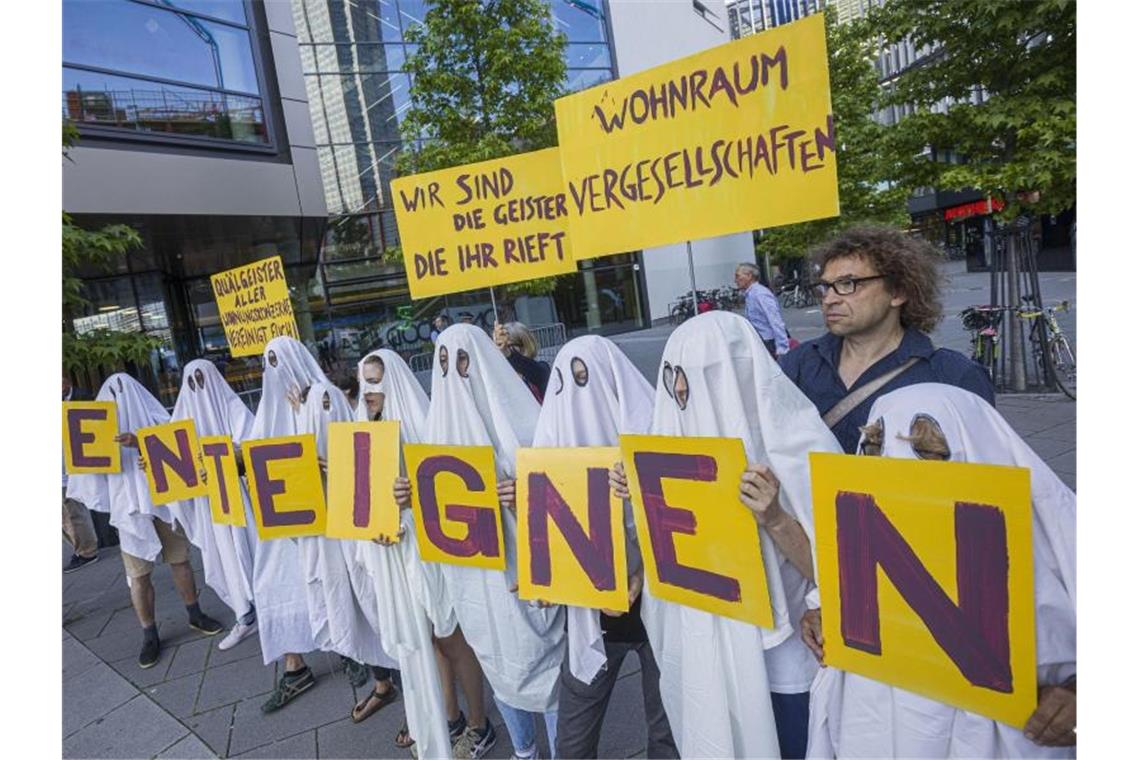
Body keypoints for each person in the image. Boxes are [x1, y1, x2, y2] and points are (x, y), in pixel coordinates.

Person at [609, 312, 842, 758]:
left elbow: (838, 572)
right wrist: (638, 497)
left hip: (789, 663)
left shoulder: (802, 446)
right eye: (673, 376)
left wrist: (774, 517)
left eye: (697, 377)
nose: (680, 391)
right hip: (712, 660)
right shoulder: (669, 440)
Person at [805, 384, 1076, 757]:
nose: (895, 466)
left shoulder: (1051, 544)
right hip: (871, 727)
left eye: (926, 452)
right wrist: (824, 614)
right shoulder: (860, 526)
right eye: (875, 446)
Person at [419, 324, 564, 759]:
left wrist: (526, 496)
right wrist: (409, 498)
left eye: (462, 359)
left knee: (549, 664)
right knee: (498, 662)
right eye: (444, 362)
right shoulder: (435, 436)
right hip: (475, 577)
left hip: (528, 571)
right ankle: (524, 749)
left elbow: (566, 491)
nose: (454, 371)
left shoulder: (528, 422)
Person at [536, 336, 678, 760]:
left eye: (587, 378)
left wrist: (642, 574)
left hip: (660, 610)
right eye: (564, 382)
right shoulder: (547, 455)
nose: (580, 396)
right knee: (574, 740)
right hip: (591, 619)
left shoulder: (662, 435)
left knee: (667, 730)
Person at [779, 226, 995, 455]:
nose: (829, 299)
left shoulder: (953, 377)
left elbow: (986, 469)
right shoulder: (797, 365)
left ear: (897, 292)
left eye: (848, 284)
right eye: (825, 287)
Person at [66, 373, 224, 668]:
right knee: (138, 575)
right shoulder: (97, 425)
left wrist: (142, 444)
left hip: (163, 498)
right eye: (113, 392)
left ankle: (195, 613)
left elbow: (175, 443)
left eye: (125, 389)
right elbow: (89, 468)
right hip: (129, 508)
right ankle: (149, 634)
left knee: (180, 559)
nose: (120, 396)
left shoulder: (154, 417)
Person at [355, 350, 454, 758]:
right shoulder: (362, 429)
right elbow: (358, 497)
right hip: (388, 556)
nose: (369, 392)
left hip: (422, 551)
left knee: (444, 642)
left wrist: (412, 500)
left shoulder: (421, 424)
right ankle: (427, 725)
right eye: (363, 383)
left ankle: (455, 722)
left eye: (376, 382)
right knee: (416, 650)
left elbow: (446, 484)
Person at [298, 380, 402, 714]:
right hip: (329, 542)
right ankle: (382, 683)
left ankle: (415, 698)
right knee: (353, 610)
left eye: (331, 403)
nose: (326, 412)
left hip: (369, 543)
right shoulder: (305, 445)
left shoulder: (366, 433)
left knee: (379, 607)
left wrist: (345, 469)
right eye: (320, 406)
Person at [248, 337, 326, 712]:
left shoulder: (322, 399)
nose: (275, 372)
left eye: (280, 362)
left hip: (321, 515)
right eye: (269, 363)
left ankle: (356, 655)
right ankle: (294, 666)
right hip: (280, 517)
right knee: (273, 584)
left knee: (328, 578)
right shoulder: (265, 410)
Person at [169, 360, 260, 651]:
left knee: (252, 551)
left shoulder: (233, 408)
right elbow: (170, 459)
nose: (199, 389)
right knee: (224, 558)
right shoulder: (181, 421)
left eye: (202, 379)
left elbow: (251, 443)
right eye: (191, 382)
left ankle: (266, 609)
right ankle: (244, 615)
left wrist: (230, 456)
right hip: (209, 502)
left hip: (241, 496)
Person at [63, 372, 99, 573]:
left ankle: (87, 550)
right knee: (65, 515)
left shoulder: (83, 396)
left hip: (73, 465)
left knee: (74, 509)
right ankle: (80, 548)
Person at [735, 262, 790, 358]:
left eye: (737, 276)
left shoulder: (760, 294)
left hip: (769, 342)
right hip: (761, 341)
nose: (735, 280)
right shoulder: (750, 294)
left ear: (749, 276)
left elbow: (775, 320)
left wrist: (782, 347)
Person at [493, 320, 551, 402]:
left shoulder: (541, 369)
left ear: (525, 345)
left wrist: (507, 353)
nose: (502, 349)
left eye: (508, 345)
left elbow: (528, 367)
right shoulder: (501, 373)